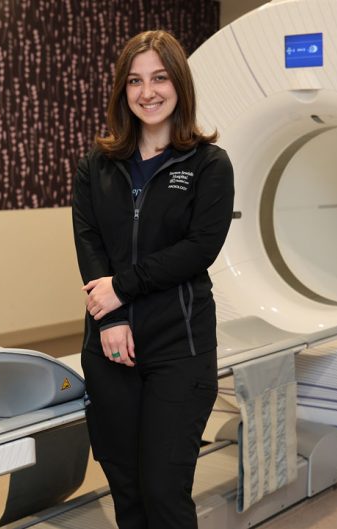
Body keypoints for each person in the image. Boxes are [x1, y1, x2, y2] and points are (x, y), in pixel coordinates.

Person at [71, 30, 235, 529]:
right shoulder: (96, 165)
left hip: (179, 345)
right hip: (109, 346)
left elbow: (199, 249)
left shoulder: (208, 164)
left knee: (164, 491)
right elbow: (89, 241)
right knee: (127, 490)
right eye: (135, 80)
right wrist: (111, 318)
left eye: (160, 78)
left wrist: (123, 288)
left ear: (179, 84)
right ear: (122, 90)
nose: (148, 92)